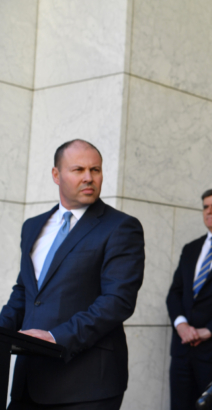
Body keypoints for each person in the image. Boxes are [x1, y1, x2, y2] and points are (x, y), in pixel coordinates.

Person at [0, 139, 145, 409]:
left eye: (96, 170)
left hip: (86, 386)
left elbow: (117, 301)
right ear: (56, 175)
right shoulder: (32, 227)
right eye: (78, 170)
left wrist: (56, 338)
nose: (89, 178)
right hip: (28, 382)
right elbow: (26, 292)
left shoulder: (122, 227)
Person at [166, 189, 212, 410]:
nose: (209, 211)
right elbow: (175, 293)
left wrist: (211, 330)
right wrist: (181, 325)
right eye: (205, 207)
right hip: (183, 348)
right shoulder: (191, 248)